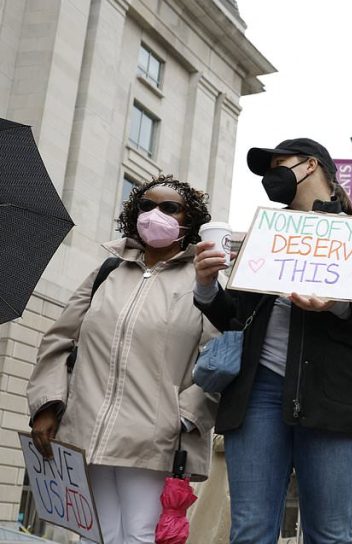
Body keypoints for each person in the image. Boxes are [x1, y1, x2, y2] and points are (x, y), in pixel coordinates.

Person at [193, 137, 352, 544]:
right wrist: (206, 287)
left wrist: (337, 305)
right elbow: (237, 319)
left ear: (310, 165)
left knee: (329, 533)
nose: (272, 175)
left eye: (280, 163)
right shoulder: (265, 232)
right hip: (257, 393)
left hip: (335, 396)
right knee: (250, 530)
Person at [28, 175, 217, 544]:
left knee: (140, 535)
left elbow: (217, 359)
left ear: (188, 220)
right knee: (95, 536)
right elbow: (59, 339)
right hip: (87, 431)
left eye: (168, 207)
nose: (154, 214)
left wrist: (185, 417)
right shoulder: (107, 272)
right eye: (146, 206)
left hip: (154, 438)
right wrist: (47, 405)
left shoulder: (203, 280)